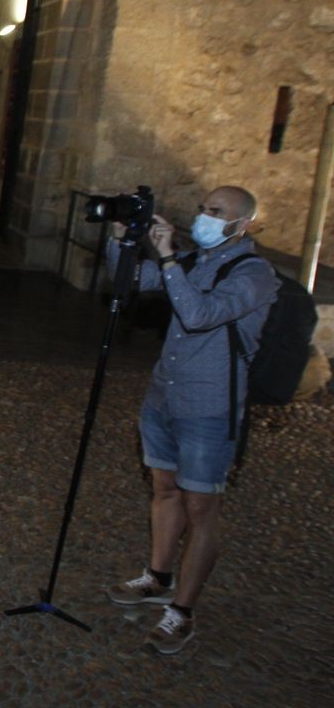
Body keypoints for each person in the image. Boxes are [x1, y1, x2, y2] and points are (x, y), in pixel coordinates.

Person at [103, 186, 277, 655]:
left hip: (209, 408)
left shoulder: (253, 273)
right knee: (164, 489)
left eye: (216, 212)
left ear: (242, 224)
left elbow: (199, 315)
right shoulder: (196, 262)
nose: (204, 217)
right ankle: (159, 576)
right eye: (203, 208)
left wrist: (167, 259)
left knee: (201, 509)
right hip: (164, 397)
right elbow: (130, 283)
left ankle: (182, 611)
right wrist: (122, 239)